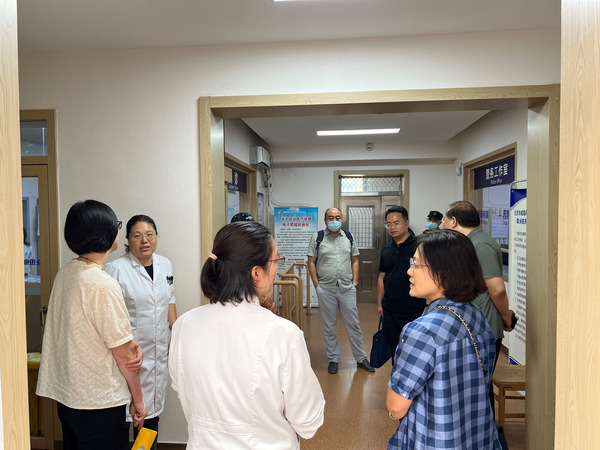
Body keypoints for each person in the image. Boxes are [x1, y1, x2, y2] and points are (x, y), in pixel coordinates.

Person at [169, 222, 325, 449]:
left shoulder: (184, 325)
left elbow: (180, 387)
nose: (277, 268)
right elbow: (308, 422)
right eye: (275, 261)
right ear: (256, 273)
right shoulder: (284, 334)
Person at [36, 200, 147, 450]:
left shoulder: (66, 273)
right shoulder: (102, 284)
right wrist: (138, 400)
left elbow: (82, 329)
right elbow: (125, 356)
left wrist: (128, 343)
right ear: (107, 234)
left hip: (69, 397)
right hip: (99, 402)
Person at [386, 230, 501, 449]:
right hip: (477, 437)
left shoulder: (421, 331)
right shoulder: (476, 315)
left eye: (416, 264)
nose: (409, 271)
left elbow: (396, 406)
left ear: (444, 272)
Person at [106, 215, 177, 449]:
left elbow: (170, 298)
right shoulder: (116, 269)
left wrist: (175, 334)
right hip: (128, 358)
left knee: (150, 418)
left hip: (157, 355)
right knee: (123, 417)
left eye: (149, 235)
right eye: (137, 236)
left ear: (156, 236)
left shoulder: (165, 264)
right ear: (128, 239)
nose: (144, 240)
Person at [442, 200, 515, 413]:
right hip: (472, 325)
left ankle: (487, 430)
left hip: (484, 328)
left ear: (453, 221)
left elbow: (497, 289)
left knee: (480, 386)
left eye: (445, 220)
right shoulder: (469, 243)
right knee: (473, 385)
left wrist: (506, 318)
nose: (442, 224)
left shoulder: (480, 245)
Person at [307, 207, 374, 374]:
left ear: (341, 219)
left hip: (346, 288)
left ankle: (361, 357)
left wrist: (355, 283)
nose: (334, 220)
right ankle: (333, 358)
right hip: (326, 288)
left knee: (353, 324)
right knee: (329, 326)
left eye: (337, 217)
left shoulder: (348, 237)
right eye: (331, 218)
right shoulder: (318, 237)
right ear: (325, 220)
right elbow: (311, 262)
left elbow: (355, 260)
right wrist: (317, 286)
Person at [378, 206, 426, 358]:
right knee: (395, 351)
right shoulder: (386, 248)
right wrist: (380, 304)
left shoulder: (419, 246)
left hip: (414, 310)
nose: (392, 227)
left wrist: (427, 305)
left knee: (413, 352)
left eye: (396, 223)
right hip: (389, 310)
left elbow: (427, 276)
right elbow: (382, 277)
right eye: (389, 224)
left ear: (407, 223)